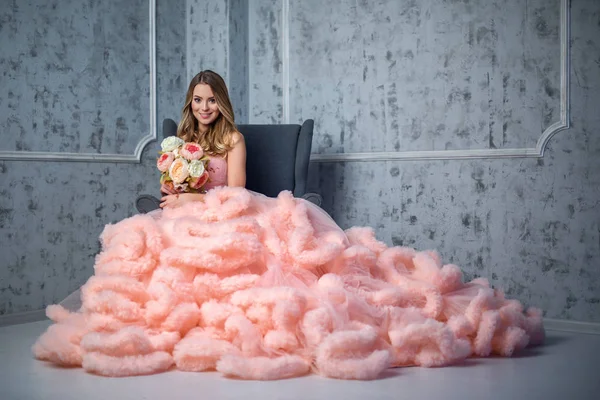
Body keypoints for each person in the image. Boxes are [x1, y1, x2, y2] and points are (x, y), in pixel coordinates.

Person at [32, 70, 545, 380]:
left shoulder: (233, 140)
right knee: (141, 236)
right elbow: (171, 185)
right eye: (197, 100)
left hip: (224, 206)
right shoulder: (178, 143)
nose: (205, 107)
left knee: (257, 253)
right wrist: (173, 192)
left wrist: (192, 193)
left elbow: (232, 190)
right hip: (181, 211)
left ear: (222, 103)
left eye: (212, 99)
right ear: (189, 104)